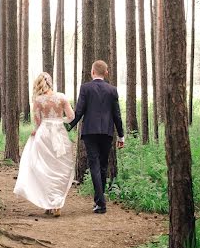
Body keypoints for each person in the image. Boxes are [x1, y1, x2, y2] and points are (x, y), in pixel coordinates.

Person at [13, 72, 75, 217]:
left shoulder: (38, 100)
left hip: (44, 134)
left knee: (44, 169)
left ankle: (48, 203)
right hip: (59, 133)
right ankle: (57, 203)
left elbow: (37, 122)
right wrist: (60, 121)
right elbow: (71, 116)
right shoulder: (62, 97)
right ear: (50, 82)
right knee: (59, 168)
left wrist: (37, 130)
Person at [68, 60, 124, 214]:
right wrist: (121, 136)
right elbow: (117, 115)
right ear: (106, 73)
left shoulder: (85, 88)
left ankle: (100, 203)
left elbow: (78, 111)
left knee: (94, 165)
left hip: (90, 132)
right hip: (107, 132)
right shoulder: (112, 90)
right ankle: (100, 201)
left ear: (92, 72)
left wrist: (67, 127)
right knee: (103, 166)